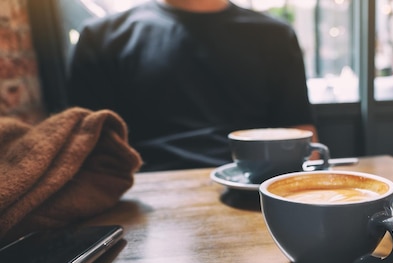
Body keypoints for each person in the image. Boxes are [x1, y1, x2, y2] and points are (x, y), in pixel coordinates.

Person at [66, 0, 318, 172]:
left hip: (253, 187)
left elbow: (301, 135)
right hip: (141, 196)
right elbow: (87, 149)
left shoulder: (276, 36)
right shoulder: (101, 38)